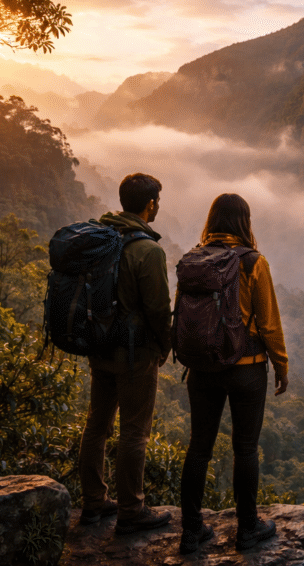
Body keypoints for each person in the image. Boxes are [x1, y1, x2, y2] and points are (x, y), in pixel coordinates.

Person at [179, 193, 290, 554]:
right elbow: (269, 323)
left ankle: (191, 532)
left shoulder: (194, 260)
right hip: (247, 368)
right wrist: (281, 365)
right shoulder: (253, 262)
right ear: (245, 222)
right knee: (245, 449)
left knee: (199, 447)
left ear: (212, 220)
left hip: (202, 367)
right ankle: (247, 529)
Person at [78, 173, 173, 535]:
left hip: (99, 346)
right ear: (150, 204)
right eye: (157, 201)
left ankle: (93, 502)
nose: (158, 207)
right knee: (134, 432)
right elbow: (158, 309)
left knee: (97, 426)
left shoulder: (101, 238)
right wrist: (164, 346)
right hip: (135, 355)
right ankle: (131, 511)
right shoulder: (148, 250)